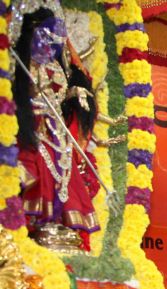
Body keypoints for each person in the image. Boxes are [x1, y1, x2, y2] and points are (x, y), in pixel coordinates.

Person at [14, 8, 100, 250]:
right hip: (34, 127)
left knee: (63, 172)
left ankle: (58, 224)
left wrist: (78, 95)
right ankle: (40, 223)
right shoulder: (22, 64)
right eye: (44, 38)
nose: (49, 46)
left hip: (57, 130)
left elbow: (64, 95)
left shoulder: (57, 66)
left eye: (54, 41)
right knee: (40, 168)